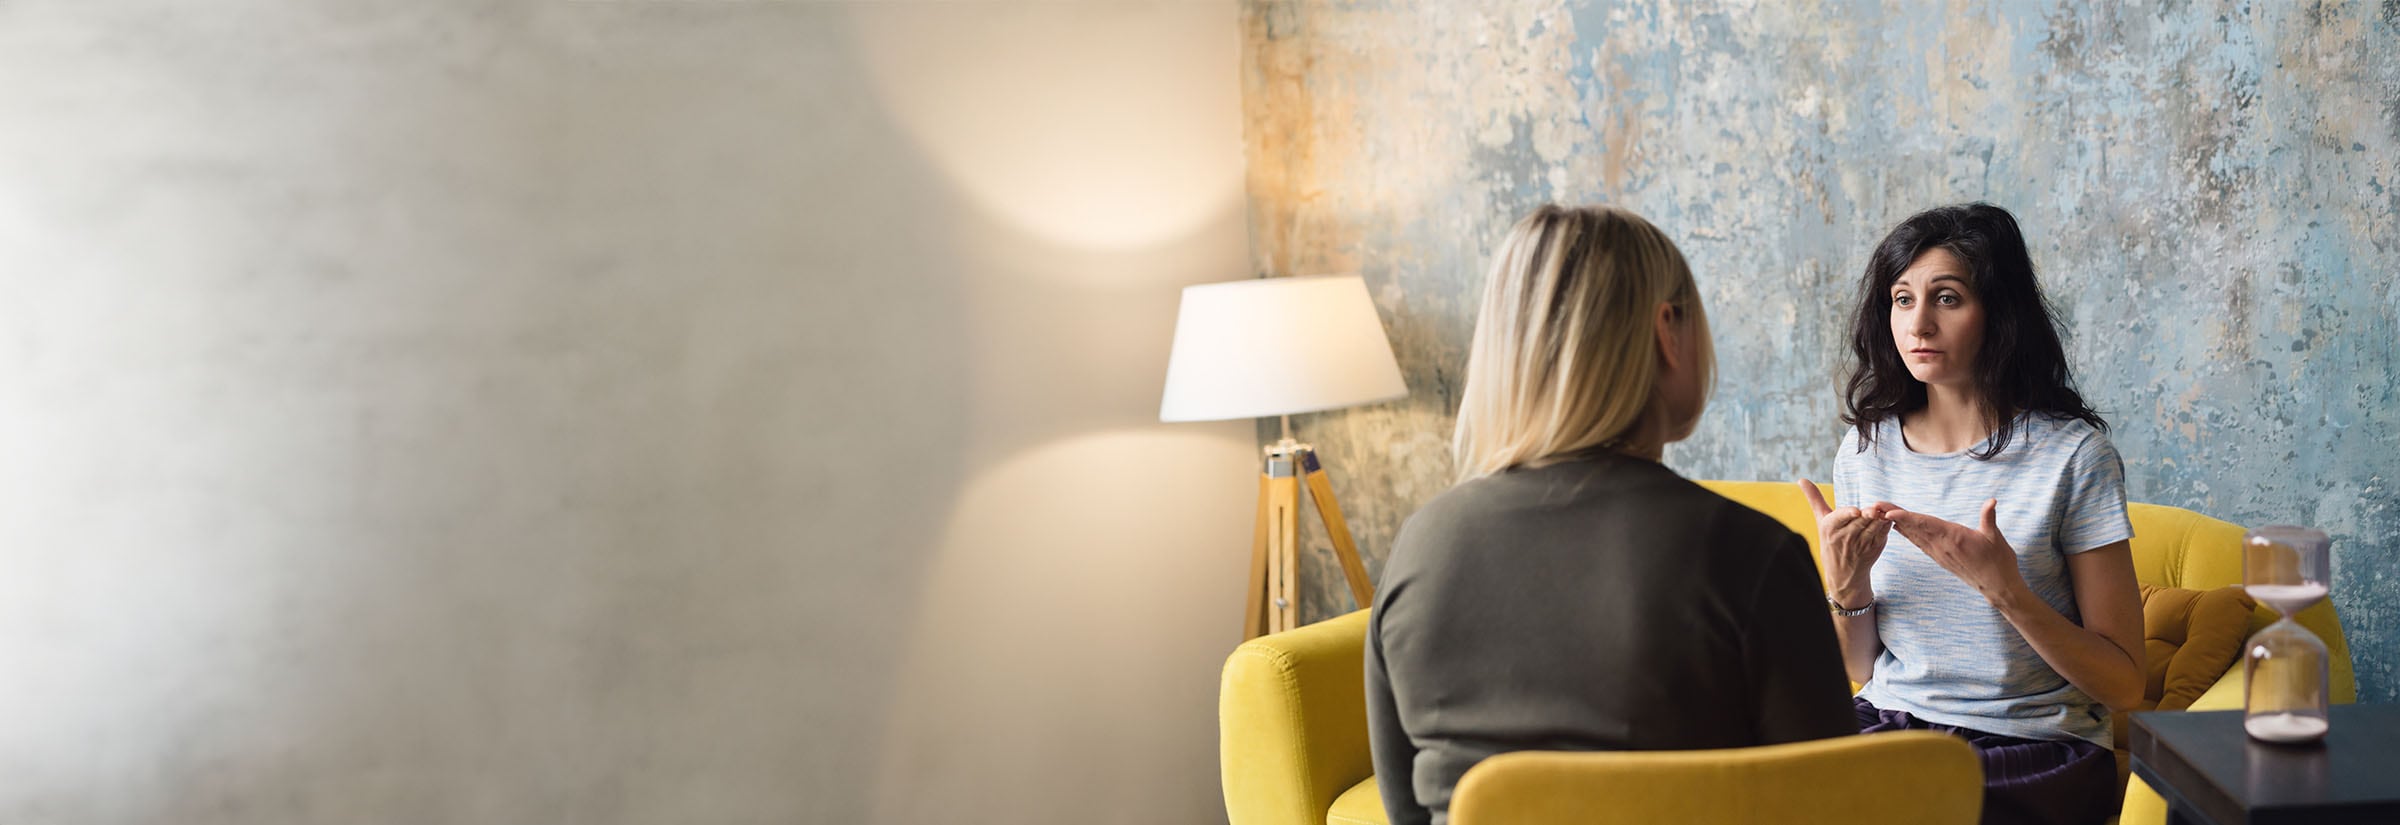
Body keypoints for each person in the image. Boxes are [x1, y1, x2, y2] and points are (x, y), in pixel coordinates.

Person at [1365, 204, 1856, 825]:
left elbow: (1405, 809)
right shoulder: (1749, 553)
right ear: (1666, 332)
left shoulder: (1421, 544)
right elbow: (1837, 805)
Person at [1798, 203, 2145, 825]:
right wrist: (1847, 584)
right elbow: (1857, 667)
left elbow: (2124, 686)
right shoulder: (1865, 450)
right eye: (1902, 299)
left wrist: (2006, 590)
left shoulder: (2074, 456)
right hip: (1891, 726)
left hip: (2035, 746)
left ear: (1999, 313)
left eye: (1947, 299)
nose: (1919, 324)